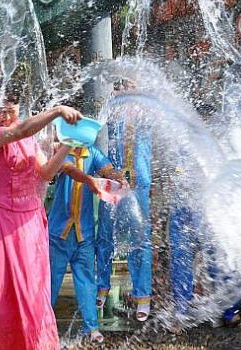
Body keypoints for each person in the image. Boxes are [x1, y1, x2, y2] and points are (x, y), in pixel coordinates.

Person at [0, 82, 82, 349]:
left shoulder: (27, 136)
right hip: (4, 221)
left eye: (11, 110)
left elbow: (46, 172)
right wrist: (58, 110)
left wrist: (68, 145)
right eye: (1, 110)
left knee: (34, 291)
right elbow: (21, 129)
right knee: (4, 292)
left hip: (32, 221)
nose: (6, 116)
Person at [47, 144, 126, 343]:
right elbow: (70, 170)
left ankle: (91, 327)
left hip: (84, 233)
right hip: (59, 233)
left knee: (86, 282)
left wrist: (118, 178)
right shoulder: (60, 150)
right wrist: (88, 179)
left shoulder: (94, 152)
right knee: (50, 283)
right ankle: (40, 326)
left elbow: (107, 169)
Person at [96, 86, 154, 322]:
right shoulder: (113, 113)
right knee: (104, 236)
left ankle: (143, 297)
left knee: (140, 240)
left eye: (133, 86)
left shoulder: (148, 113)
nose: (127, 90)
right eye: (124, 86)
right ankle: (101, 286)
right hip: (113, 181)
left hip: (138, 184)